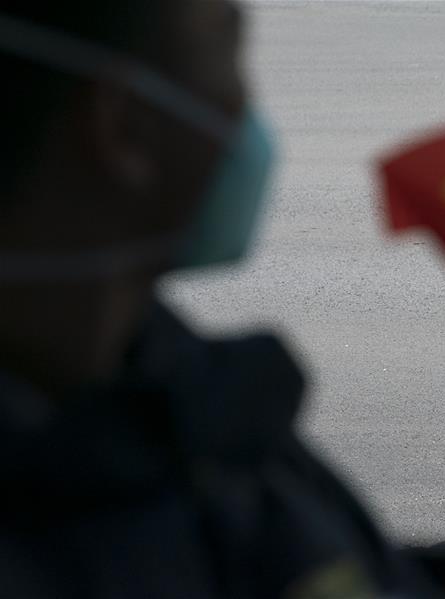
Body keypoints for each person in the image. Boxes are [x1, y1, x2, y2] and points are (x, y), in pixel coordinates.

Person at [0, 2, 422, 596]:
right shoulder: (96, 512)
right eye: (228, 50)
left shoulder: (175, 396)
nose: (247, 112)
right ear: (125, 130)